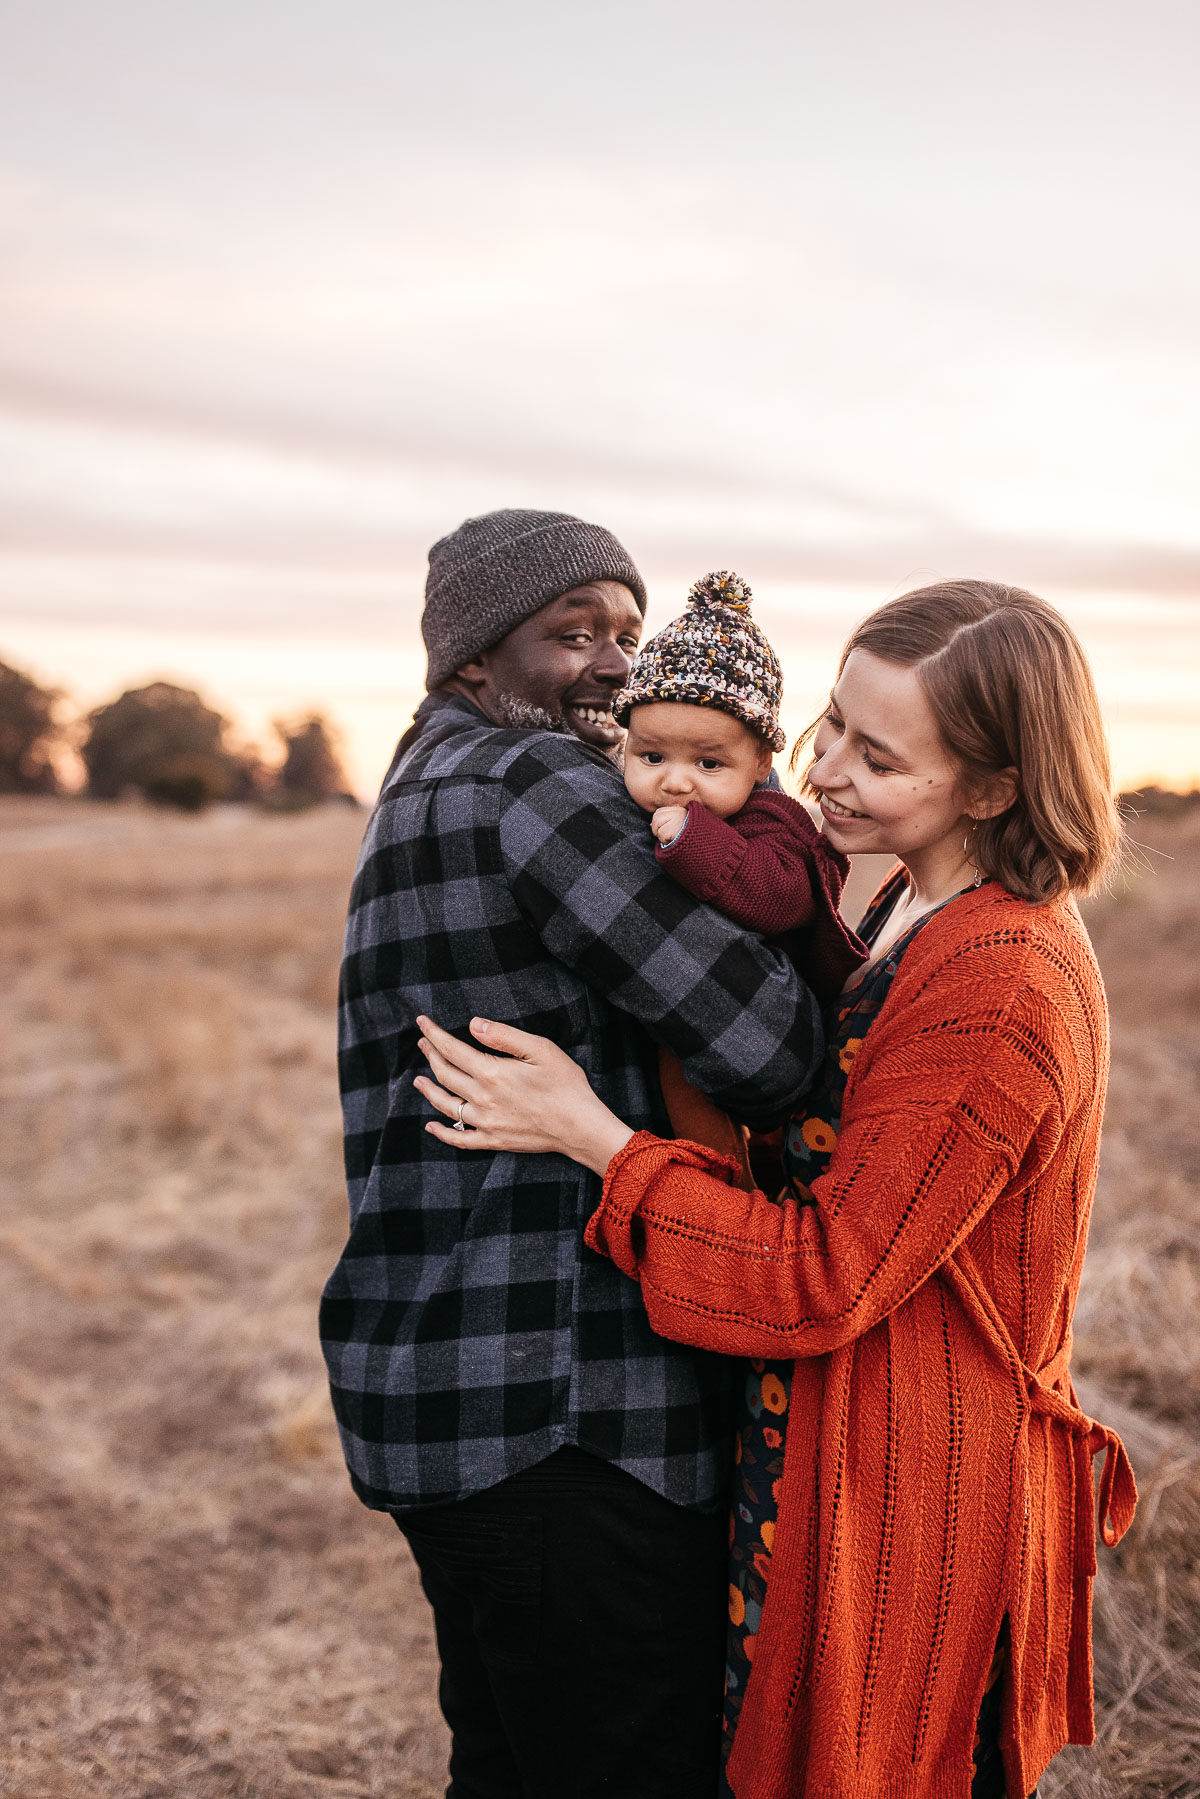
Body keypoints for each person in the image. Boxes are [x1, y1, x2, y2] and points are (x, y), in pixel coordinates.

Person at [413, 579, 1138, 1799]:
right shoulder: (914, 902)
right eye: (835, 726)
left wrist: (596, 1137)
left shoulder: (1002, 974)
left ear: (997, 787)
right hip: (843, 1442)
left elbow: (829, 1269)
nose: (830, 771)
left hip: (916, 1481)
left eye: (882, 756)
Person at [320, 508, 825, 1799]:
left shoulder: (416, 783)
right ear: (474, 661)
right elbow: (766, 1042)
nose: (612, 662)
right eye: (571, 631)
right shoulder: (532, 784)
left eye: (625, 628)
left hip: (437, 1385)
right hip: (569, 1405)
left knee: (506, 1759)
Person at [615, 567, 865, 1008]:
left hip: (759, 1007)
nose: (674, 783)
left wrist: (694, 841)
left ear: (760, 763)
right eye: (651, 757)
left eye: (708, 763)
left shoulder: (774, 822)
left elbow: (783, 900)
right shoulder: (619, 800)